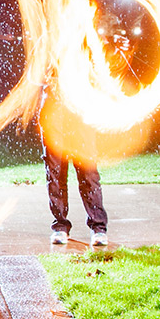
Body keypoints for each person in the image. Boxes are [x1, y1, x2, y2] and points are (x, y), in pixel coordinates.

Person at [41, 72, 110, 247]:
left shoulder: (87, 45)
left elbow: (104, 67)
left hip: (80, 109)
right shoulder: (45, 45)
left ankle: (98, 228)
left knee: (88, 172)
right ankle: (60, 226)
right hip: (54, 110)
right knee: (55, 173)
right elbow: (36, 72)